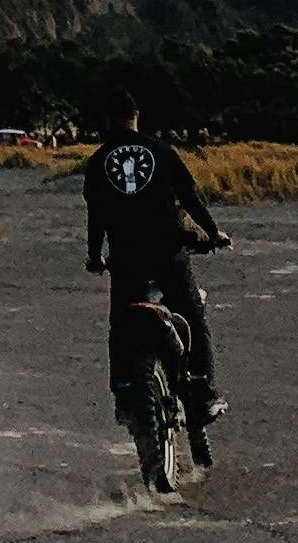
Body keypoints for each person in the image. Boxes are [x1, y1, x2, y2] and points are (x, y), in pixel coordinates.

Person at [81, 94, 227, 427]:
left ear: (107, 119)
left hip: (126, 259)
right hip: (167, 254)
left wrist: (94, 256)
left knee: (121, 324)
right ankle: (203, 393)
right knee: (192, 313)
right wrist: (213, 231)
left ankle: (124, 394)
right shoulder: (162, 152)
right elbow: (189, 197)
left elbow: (96, 215)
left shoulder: (99, 160)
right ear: (136, 115)